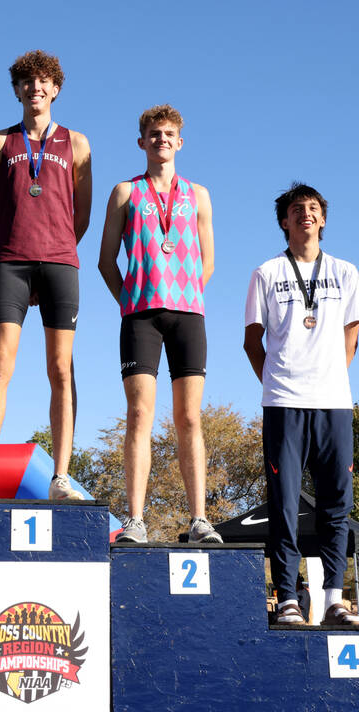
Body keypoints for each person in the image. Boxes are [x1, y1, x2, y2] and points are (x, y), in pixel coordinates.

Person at [0, 50, 92, 500]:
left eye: (43, 82)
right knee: (0, 364)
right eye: (26, 82)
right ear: (17, 90)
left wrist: (54, 249)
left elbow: (81, 215)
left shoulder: (77, 143)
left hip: (60, 262)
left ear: (55, 89)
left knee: (61, 368)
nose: (35, 88)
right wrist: (18, 247)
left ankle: (60, 476)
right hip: (11, 262)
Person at [243, 183, 359, 626]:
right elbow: (252, 342)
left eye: (314, 209)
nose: (306, 215)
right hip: (283, 404)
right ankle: (289, 597)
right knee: (284, 503)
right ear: (284, 221)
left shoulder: (346, 272)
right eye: (297, 210)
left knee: (337, 503)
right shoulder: (266, 272)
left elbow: (351, 337)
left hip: (334, 403)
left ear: (324, 219)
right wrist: (281, 382)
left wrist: (326, 378)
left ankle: (334, 598)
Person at [97, 104, 218, 544]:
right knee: (139, 414)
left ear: (180, 142)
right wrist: (131, 300)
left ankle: (200, 519)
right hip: (140, 317)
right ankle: (135, 520)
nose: (161, 139)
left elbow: (207, 261)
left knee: (189, 417)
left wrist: (182, 291)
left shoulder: (199, 195)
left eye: (169, 133)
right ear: (141, 141)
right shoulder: (125, 193)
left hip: (188, 315)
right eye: (153, 133)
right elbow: (106, 260)